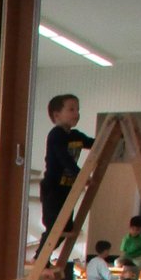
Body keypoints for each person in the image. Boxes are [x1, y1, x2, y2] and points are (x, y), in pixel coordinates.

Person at [38, 93, 94, 253]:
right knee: (54, 225)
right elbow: (64, 159)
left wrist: (116, 136)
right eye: (71, 109)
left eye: (77, 109)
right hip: (53, 187)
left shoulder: (75, 135)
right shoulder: (56, 135)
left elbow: (93, 143)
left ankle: (43, 258)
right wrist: (80, 175)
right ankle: (40, 259)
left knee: (67, 227)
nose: (76, 114)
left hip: (67, 187)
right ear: (57, 115)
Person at [117, 215, 141, 280]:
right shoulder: (126, 239)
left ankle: (133, 277)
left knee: (139, 264)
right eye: (133, 229)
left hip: (139, 258)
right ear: (130, 228)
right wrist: (123, 258)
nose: (134, 231)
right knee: (117, 262)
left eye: (137, 230)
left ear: (140, 229)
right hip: (128, 257)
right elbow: (123, 251)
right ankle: (126, 276)